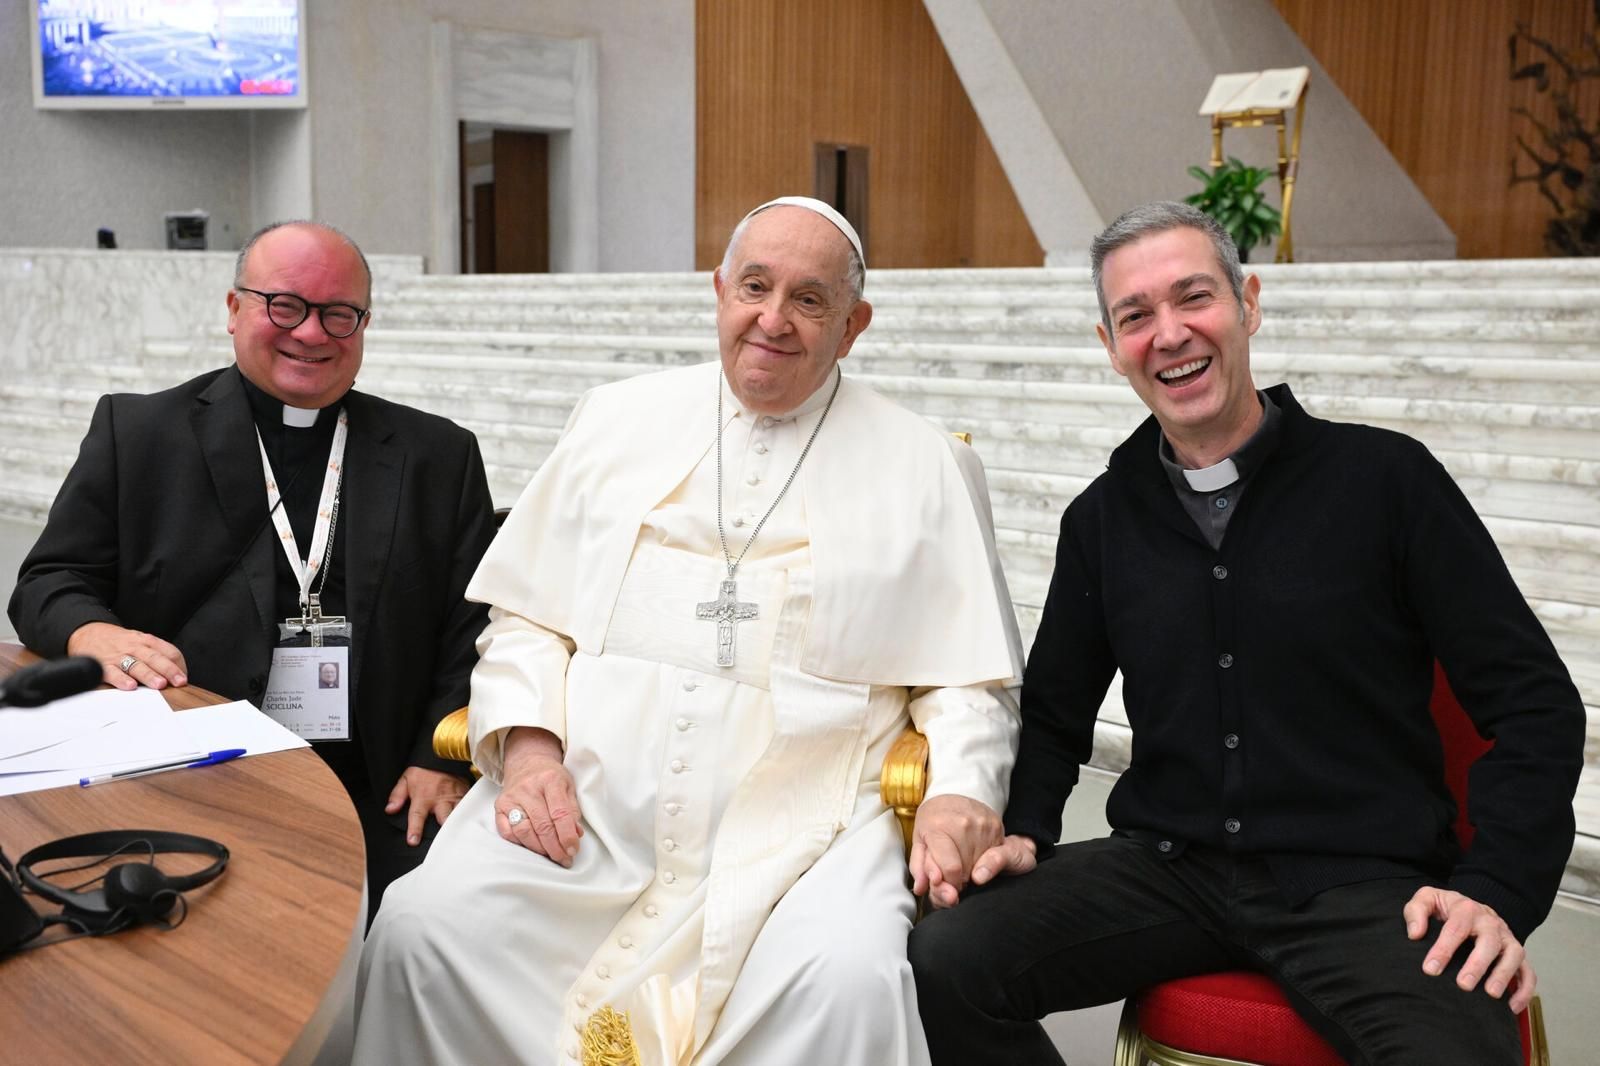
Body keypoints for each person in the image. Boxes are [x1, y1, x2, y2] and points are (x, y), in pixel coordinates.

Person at [908, 201, 1586, 1065]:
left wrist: (1495, 889)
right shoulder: (1103, 520)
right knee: (949, 957)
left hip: (1365, 884)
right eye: (1135, 316)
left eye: (1194, 297)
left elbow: (1535, 703)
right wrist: (1028, 829)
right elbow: (1053, 713)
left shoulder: (1387, 481)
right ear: (1110, 345)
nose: (1170, 334)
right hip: (1169, 870)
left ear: (1248, 303)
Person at [352, 197, 1024, 1066]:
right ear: (718, 290)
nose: (772, 320)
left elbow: (969, 680)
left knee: (848, 981)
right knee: (420, 928)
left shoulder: (927, 462)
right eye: (754, 286)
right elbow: (527, 618)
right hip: (589, 808)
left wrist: (961, 790)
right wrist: (526, 749)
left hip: (809, 832)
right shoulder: (614, 419)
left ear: (853, 327)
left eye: (810, 300)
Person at [8, 221, 498, 912]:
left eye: (340, 314)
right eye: (285, 305)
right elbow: (48, 582)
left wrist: (436, 756)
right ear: (234, 309)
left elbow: (475, 622)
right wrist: (94, 633)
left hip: (382, 781)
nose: (312, 333)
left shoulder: (437, 456)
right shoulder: (140, 433)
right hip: (192, 774)